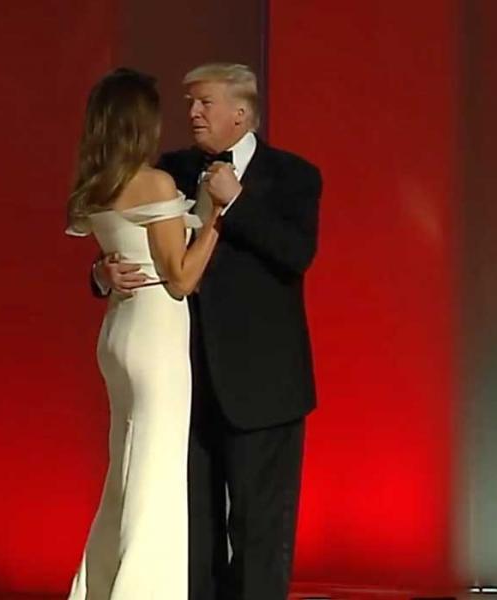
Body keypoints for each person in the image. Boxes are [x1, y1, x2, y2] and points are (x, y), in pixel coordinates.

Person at [94, 63, 321, 600]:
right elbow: (125, 232)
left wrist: (235, 202)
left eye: (205, 103)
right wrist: (101, 273)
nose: (192, 113)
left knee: (259, 535)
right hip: (185, 382)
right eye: (190, 103)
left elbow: (295, 254)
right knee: (192, 535)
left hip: (264, 388)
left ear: (240, 114)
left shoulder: (293, 175)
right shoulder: (169, 171)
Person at [65, 67, 222, 599]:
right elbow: (181, 278)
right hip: (155, 334)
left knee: (126, 474)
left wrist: (99, 272)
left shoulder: (98, 186)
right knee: (155, 477)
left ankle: (101, 588)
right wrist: (216, 218)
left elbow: (117, 253)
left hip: (118, 333)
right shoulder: (153, 183)